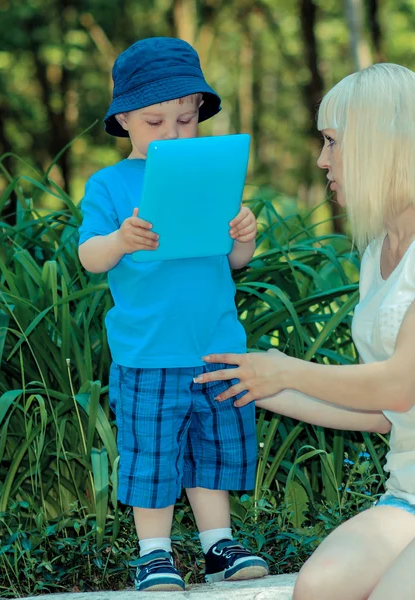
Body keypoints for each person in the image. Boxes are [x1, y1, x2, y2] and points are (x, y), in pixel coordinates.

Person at [195, 63, 415, 600]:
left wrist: (286, 368)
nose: (322, 159)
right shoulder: (375, 255)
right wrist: (260, 387)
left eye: (332, 141)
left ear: (379, 143)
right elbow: (385, 415)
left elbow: (398, 385)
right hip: (410, 493)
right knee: (316, 590)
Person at [78, 37, 268, 592]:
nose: (172, 133)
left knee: (217, 443)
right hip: (149, 348)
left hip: (215, 342)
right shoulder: (109, 184)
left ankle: (218, 544)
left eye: (185, 120)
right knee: (152, 451)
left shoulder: (213, 175)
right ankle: (154, 552)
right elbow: (90, 257)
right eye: (155, 121)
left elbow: (232, 262)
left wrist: (244, 237)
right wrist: (120, 239)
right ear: (125, 122)